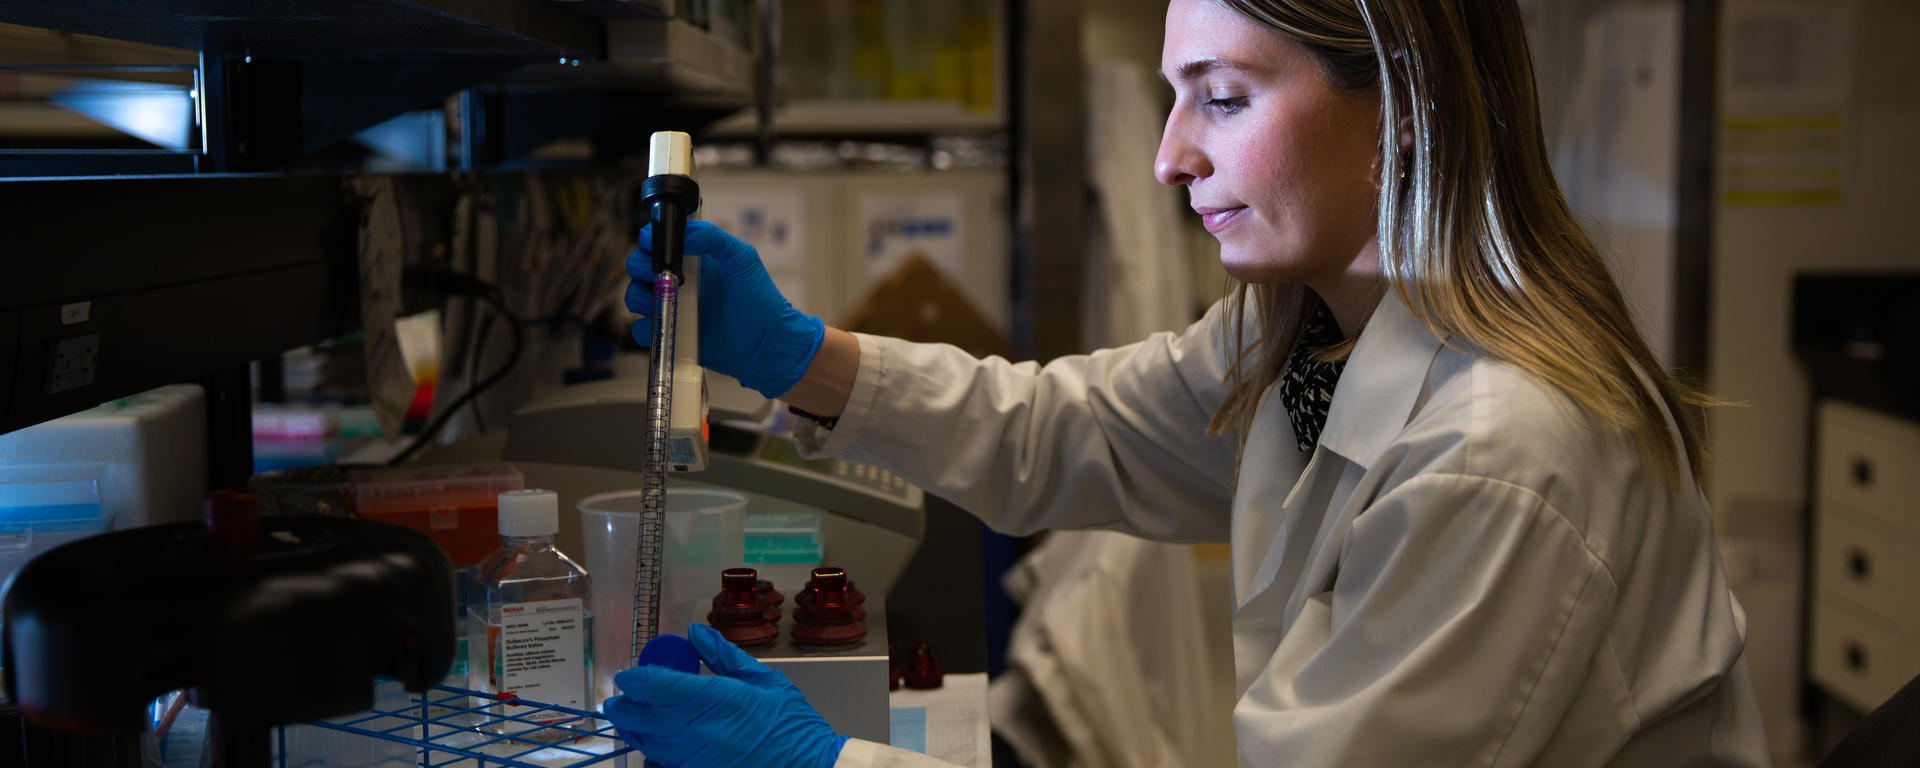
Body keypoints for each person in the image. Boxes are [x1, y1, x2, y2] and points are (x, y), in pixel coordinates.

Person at [600, 0, 1773, 765]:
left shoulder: (1498, 452)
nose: (1170, 156)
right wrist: (797, 357)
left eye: (1221, 97)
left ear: (1404, 104)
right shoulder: (1305, 334)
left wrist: (828, 762)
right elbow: (1072, 431)